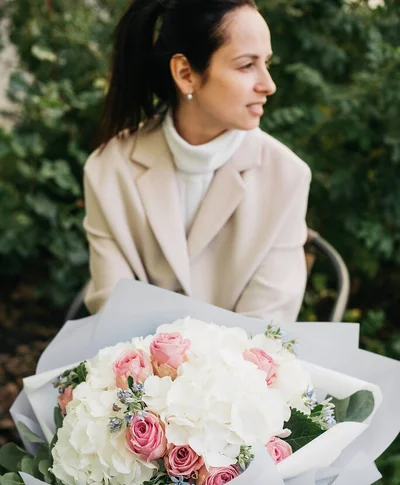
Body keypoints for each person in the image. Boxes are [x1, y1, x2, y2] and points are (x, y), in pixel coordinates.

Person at [83, 0, 312, 323]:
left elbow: (266, 325)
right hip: (134, 366)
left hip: (241, 370)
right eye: (247, 65)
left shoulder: (287, 176)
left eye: (267, 64)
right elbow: (113, 307)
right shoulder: (108, 168)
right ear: (186, 73)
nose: (268, 85)